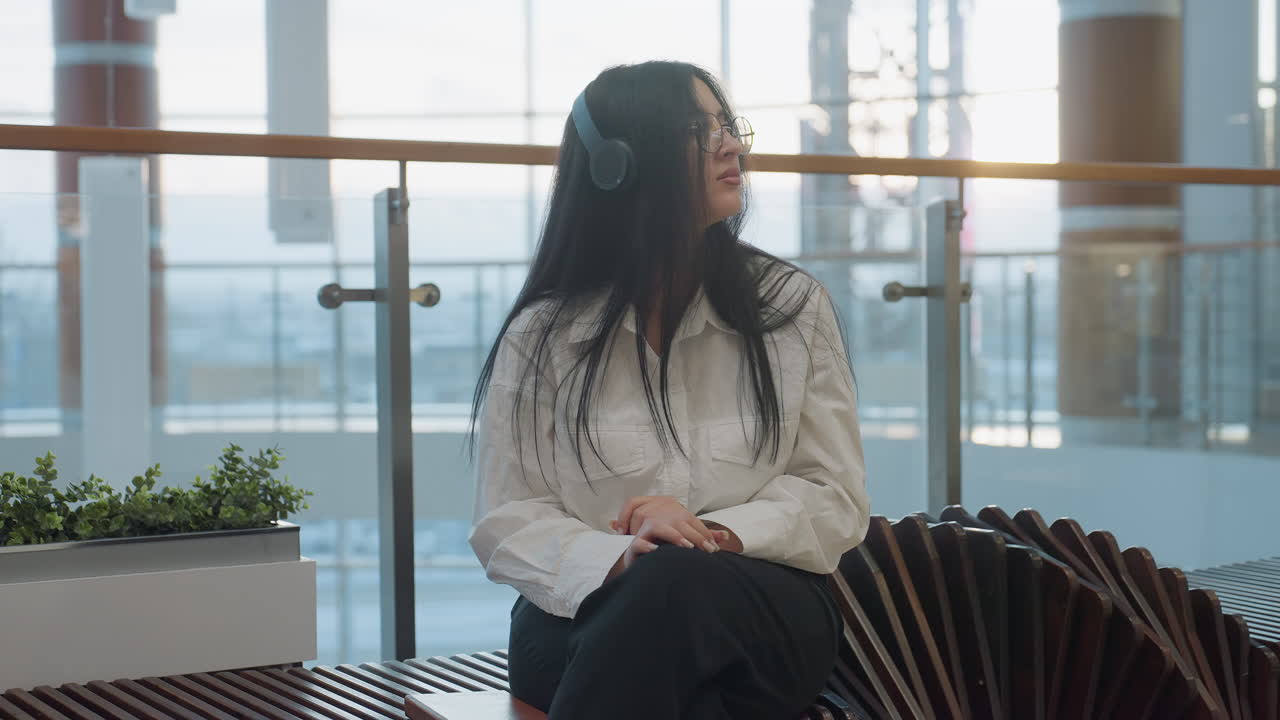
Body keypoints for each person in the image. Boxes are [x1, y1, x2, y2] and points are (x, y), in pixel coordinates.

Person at [468, 60, 870, 719]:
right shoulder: (544, 336)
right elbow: (507, 519)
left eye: (729, 126)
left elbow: (834, 496)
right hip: (581, 611)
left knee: (675, 585)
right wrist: (625, 557)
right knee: (670, 633)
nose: (732, 145)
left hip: (762, 616)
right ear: (617, 164)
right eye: (699, 130)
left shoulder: (792, 308)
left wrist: (702, 533)